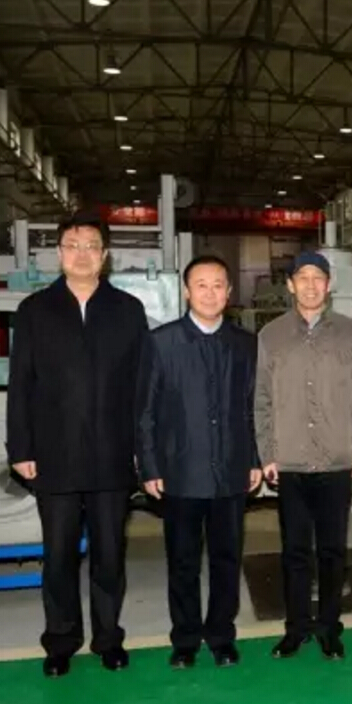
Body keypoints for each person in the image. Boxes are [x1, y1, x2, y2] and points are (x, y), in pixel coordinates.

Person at [7, 211, 150, 678]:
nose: (82, 254)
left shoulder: (127, 311)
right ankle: (61, 640)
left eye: (91, 245)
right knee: (59, 554)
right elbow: (21, 385)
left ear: (104, 255)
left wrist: (143, 450)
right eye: (72, 245)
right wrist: (21, 449)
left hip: (113, 454)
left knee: (110, 554)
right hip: (55, 454)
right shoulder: (35, 310)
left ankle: (108, 639)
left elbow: (142, 387)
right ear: (59, 253)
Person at [135, 255, 262, 669]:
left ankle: (222, 636)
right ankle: (185, 639)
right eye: (201, 285)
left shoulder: (245, 345)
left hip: (231, 470)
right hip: (180, 471)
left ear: (229, 292)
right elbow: (145, 411)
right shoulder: (162, 342)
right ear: (187, 292)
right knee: (183, 561)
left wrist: (255, 459)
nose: (210, 293)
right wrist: (150, 467)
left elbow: (254, 407)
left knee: (227, 559)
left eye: (218, 285)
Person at [254, 251, 352, 661]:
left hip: (336, 459)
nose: (310, 285)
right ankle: (296, 628)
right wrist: (267, 452)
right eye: (302, 278)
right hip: (289, 460)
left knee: (331, 550)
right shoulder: (270, 336)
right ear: (290, 285)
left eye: (318, 278)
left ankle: (329, 627)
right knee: (294, 551)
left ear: (329, 285)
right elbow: (261, 399)